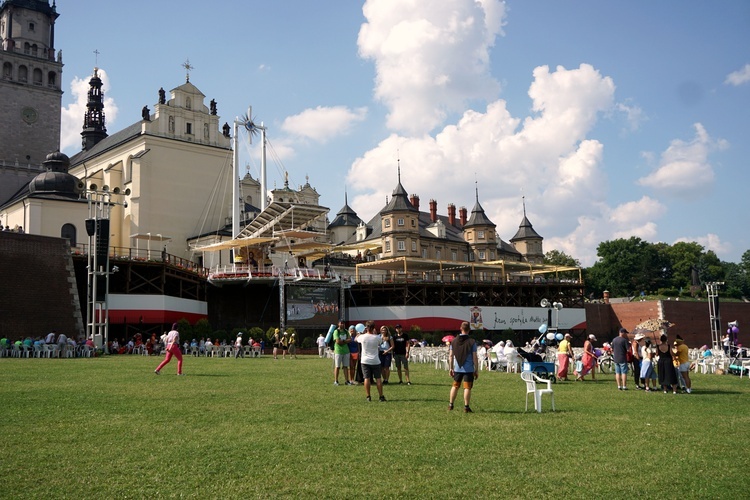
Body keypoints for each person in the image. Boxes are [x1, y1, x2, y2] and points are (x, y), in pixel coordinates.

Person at [448, 322, 479, 413]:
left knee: (455, 386)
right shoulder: (472, 342)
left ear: (460, 328)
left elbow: (450, 356)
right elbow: (474, 357)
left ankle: (451, 404)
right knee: (467, 387)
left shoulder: (453, 341)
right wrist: (476, 369)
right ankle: (466, 407)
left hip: (457, 368)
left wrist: (450, 368)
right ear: (469, 329)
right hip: (468, 368)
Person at [357, 321, 386, 402]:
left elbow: (356, 339)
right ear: (374, 328)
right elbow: (381, 342)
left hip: (365, 361)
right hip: (375, 361)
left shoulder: (362, 337)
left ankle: (368, 396)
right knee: (378, 378)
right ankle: (381, 396)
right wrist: (375, 333)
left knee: (366, 378)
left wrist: (361, 333)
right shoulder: (377, 337)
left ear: (366, 327)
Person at [332, 321, 351, 386]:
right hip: (338, 351)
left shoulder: (346, 331)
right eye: (341, 323)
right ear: (338, 324)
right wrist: (345, 341)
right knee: (337, 366)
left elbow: (350, 339)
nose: (342, 324)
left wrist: (342, 341)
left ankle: (347, 380)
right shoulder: (336, 331)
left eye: (343, 323)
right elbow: (337, 341)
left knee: (345, 366)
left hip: (346, 351)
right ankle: (336, 381)